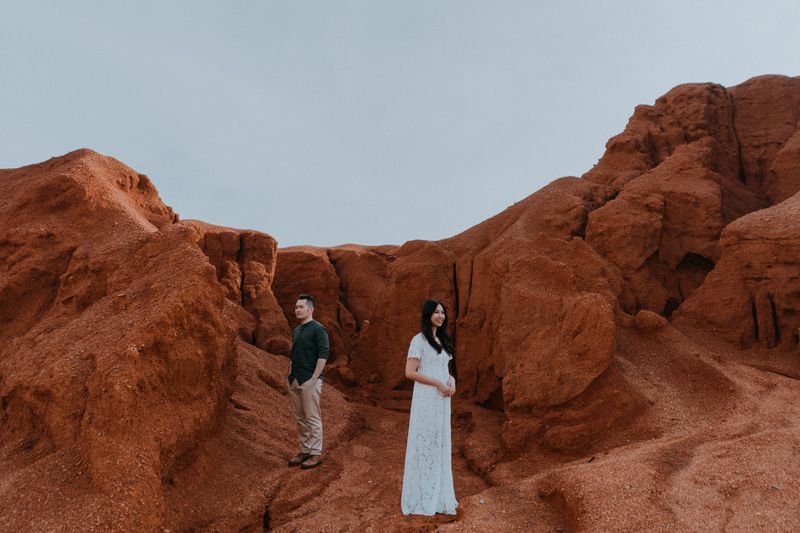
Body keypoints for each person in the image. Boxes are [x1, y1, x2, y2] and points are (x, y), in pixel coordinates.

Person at [401, 299, 458, 515]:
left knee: (439, 441)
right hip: (427, 397)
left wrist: (450, 380)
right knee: (424, 441)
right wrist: (437, 383)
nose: (441, 316)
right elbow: (410, 372)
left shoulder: (442, 340)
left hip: (442, 399)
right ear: (428, 315)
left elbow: (443, 368)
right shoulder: (419, 340)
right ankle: (421, 495)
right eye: (436, 312)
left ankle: (439, 492)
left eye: (443, 312)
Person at [287, 293, 330, 469]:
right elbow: (294, 355)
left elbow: (323, 354)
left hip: (309, 380)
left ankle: (315, 453)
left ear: (310, 309)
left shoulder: (318, 329)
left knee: (312, 417)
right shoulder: (297, 330)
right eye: (296, 307)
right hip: (294, 379)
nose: (297, 310)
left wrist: (314, 379)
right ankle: (305, 450)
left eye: (301, 307)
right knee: (300, 418)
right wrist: (289, 375)